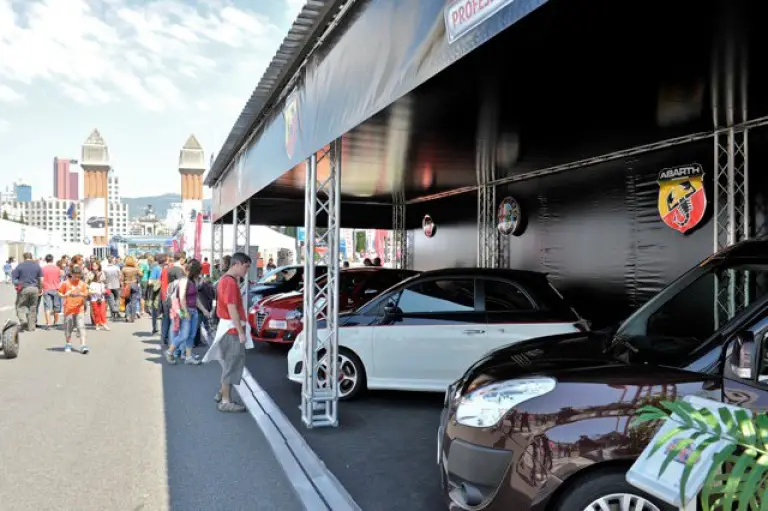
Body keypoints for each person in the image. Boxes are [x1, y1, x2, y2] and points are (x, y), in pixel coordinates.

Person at [203, 252, 251, 413]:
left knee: (228, 364)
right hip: (231, 330)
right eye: (246, 266)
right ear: (237, 264)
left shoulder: (224, 280)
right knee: (231, 365)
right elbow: (232, 308)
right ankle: (225, 400)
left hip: (227, 327)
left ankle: (222, 394)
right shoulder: (230, 283)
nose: (247, 270)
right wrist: (240, 331)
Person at [165, 259, 202, 366]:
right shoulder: (184, 281)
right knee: (184, 334)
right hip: (184, 310)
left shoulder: (192, 281)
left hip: (192, 310)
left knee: (191, 335)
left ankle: (188, 357)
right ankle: (170, 351)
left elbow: (196, 298)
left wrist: (203, 310)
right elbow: (181, 298)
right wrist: (186, 313)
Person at [59, 265, 89, 354]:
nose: (77, 278)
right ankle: (68, 343)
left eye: (79, 276)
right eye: (75, 276)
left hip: (79, 309)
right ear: (71, 274)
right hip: (68, 310)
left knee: (81, 327)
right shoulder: (66, 283)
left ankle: (83, 345)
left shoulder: (82, 284)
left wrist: (84, 295)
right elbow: (60, 292)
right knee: (68, 328)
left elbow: (86, 294)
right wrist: (64, 295)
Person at [12, 252, 43, 331]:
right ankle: (31, 327)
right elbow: (41, 279)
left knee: (20, 306)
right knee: (33, 307)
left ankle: (24, 321)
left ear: (24, 257)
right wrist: (40, 288)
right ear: (31, 257)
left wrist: (17, 284)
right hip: (35, 288)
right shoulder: (37, 266)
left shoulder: (20, 266)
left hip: (24, 288)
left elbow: (14, 278)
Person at [41, 254, 62, 328]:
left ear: (46, 260)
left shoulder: (43, 269)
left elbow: (41, 279)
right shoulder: (57, 268)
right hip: (56, 288)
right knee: (56, 306)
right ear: (52, 260)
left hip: (46, 288)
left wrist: (41, 288)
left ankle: (48, 323)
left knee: (47, 306)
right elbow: (60, 278)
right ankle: (55, 322)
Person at [88, 260, 109, 330]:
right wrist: (91, 290)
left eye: (96, 265)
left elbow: (106, 283)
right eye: (93, 265)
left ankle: (104, 323)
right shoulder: (90, 273)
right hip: (93, 294)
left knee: (102, 311)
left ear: (99, 266)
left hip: (101, 293)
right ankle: (97, 324)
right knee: (96, 311)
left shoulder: (102, 273)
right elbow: (86, 283)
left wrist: (104, 290)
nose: (95, 267)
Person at [121, 256, 142, 323]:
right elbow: (141, 274)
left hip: (126, 285)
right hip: (134, 284)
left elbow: (121, 279)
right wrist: (137, 267)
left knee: (127, 301)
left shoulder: (123, 269)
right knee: (134, 301)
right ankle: (132, 317)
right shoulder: (135, 269)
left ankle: (127, 316)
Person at [103, 256, 122, 321]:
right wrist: (120, 282)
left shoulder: (104, 269)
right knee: (117, 298)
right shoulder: (117, 268)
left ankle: (113, 313)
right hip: (116, 285)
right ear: (113, 261)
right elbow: (120, 276)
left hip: (108, 286)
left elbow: (104, 278)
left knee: (110, 300)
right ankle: (116, 310)